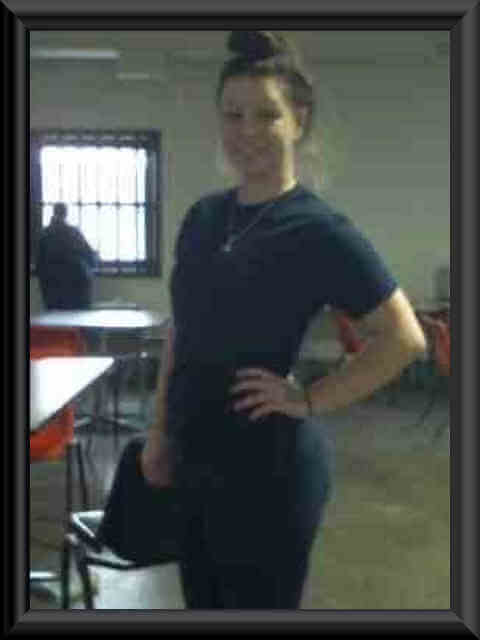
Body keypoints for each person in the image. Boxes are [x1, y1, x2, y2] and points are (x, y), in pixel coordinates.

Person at [141, 31, 427, 609]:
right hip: (195, 458)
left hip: (268, 472)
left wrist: (311, 399)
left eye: (266, 115)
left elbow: (404, 338)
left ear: (299, 120)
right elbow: (182, 331)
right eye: (233, 115)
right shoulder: (202, 218)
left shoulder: (317, 230)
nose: (247, 131)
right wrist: (159, 431)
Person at [36, 202, 98, 310]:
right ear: (66, 214)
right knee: (77, 317)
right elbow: (90, 258)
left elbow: (39, 264)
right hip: (77, 286)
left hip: (53, 288)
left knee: (55, 318)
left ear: (54, 212)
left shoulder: (44, 234)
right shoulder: (74, 233)